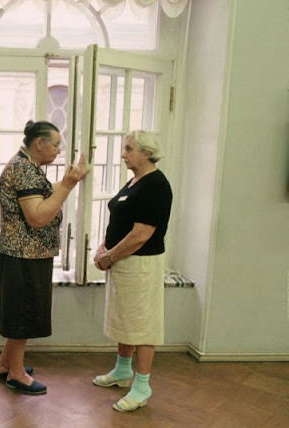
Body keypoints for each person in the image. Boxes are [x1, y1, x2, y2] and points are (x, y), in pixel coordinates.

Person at [0, 120, 90, 395]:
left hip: (25, 252)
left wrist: (70, 180)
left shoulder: (26, 166)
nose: (59, 151)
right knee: (23, 313)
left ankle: (4, 364)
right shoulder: (24, 169)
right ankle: (16, 373)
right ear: (39, 144)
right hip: (25, 253)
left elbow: (42, 194)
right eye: (56, 144)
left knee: (19, 310)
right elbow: (37, 217)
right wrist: (68, 185)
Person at [92, 130, 173, 412]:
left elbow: (141, 234)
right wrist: (103, 248)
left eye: (128, 149)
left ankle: (141, 387)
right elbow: (120, 219)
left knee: (142, 327)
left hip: (140, 265)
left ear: (147, 153)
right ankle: (122, 370)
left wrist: (109, 256)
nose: (123, 154)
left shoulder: (156, 186)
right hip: (122, 263)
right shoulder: (135, 181)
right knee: (125, 322)